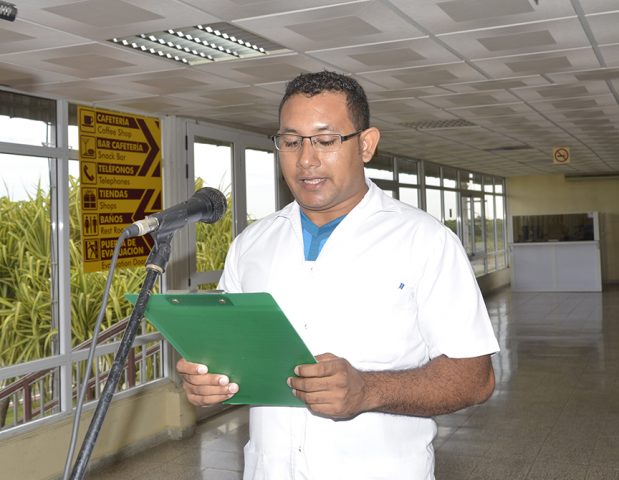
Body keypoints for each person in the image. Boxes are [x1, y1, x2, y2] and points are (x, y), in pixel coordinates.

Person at [176, 70, 499, 479]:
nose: (306, 160)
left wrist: (368, 390)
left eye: (326, 141)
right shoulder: (251, 244)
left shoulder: (426, 241)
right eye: (291, 142)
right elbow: (228, 356)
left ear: (366, 144)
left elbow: (476, 378)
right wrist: (208, 383)